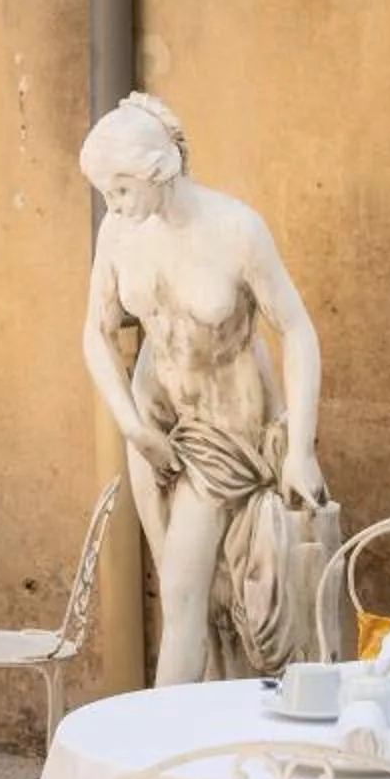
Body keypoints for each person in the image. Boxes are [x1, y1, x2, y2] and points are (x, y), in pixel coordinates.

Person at [80, 92, 332, 683]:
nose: (111, 206)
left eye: (119, 190)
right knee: (186, 594)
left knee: (186, 592)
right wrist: (135, 427)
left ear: (158, 171)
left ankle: (166, 748)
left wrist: (300, 448)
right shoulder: (120, 232)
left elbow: (297, 330)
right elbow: (95, 333)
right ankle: (206, 728)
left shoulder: (236, 229)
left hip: (230, 430)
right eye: (106, 193)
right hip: (156, 426)